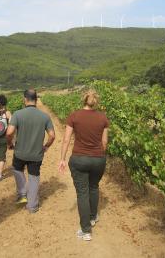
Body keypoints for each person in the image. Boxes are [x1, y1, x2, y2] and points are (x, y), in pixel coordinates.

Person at [59, 89, 109, 241]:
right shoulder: (103, 118)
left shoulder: (74, 116)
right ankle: (93, 217)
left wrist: (62, 159)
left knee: (82, 193)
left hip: (79, 159)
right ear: (96, 102)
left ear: (84, 100)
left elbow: (66, 139)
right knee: (93, 187)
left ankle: (86, 231)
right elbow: (104, 142)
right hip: (98, 159)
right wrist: (98, 154)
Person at [6, 89, 55, 213]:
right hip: (36, 154)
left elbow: (10, 132)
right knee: (33, 178)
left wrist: (10, 143)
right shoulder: (45, 116)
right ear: (36, 100)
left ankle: (22, 195)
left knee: (17, 170)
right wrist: (46, 146)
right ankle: (32, 206)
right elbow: (52, 135)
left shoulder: (17, 114)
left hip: (20, 152)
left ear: (25, 99)